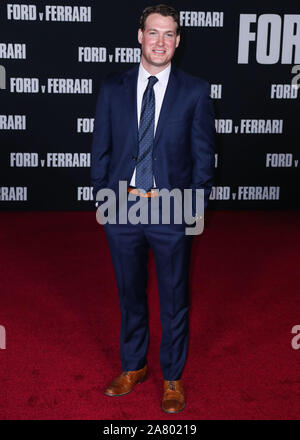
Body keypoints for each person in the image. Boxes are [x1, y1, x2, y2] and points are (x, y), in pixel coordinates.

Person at [91, 4, 215, 414]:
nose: (160, 41)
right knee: (130, 295)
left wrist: (191, 208)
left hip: (171, 210)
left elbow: (203, 157)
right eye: (153, 32)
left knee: (174, 297)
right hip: (122, 209)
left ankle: (173, 377)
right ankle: (134, 366)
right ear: (140, 36)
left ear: (177, 42)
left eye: (169, 34)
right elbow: (101, 149)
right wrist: (103, 197)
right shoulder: (113, 87)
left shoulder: (195, 91)